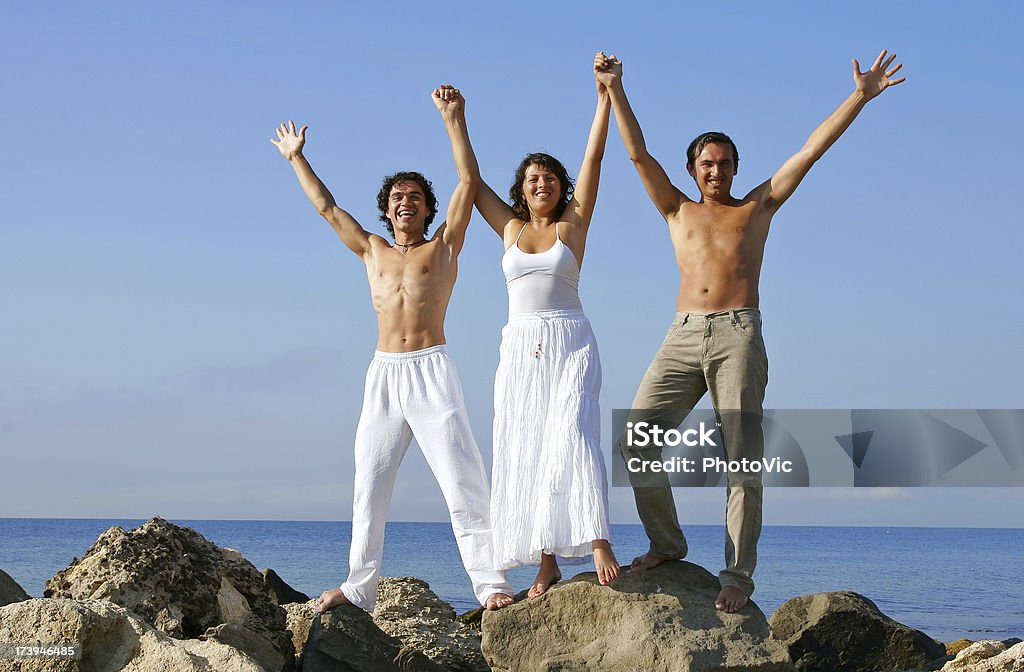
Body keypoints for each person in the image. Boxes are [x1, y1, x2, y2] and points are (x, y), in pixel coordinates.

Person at [601, 50, 906, 612]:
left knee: (740, 458)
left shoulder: (757, 207)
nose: (715, 172)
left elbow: (810, 150)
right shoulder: (676, 210)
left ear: (736, 168)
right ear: (693, 170)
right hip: (683, 334)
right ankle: (666, 543)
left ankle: (737, 574)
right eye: (705, 164)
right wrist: (616, 89)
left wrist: (859, 97)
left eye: (724, 163)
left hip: (739, 335)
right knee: (636, 439)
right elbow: (636, 153)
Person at [270, 84, 514, 613]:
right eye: (397, 197)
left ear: (427, 209)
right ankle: (359, 588)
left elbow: (469, 181)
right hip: (384, 375)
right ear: (387, 209)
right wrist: (297, 159)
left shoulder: (444, 245)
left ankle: (491, 583)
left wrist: (455, 119)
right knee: (369, 484)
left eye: (416, 197)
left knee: (462, 480)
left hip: (431, 372)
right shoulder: (372, 250)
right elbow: (328, 208)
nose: (406, 203)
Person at [473, 52, 621, 599]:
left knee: (575, 435)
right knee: (528, 447)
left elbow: (596, 158)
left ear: (561, 188)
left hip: (570, 340)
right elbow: (470, 179)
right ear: (523, 187)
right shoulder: (508, 228)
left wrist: (604, 95)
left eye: (551, 178)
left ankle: (597, 535)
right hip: (519, 348)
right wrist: (455, 121)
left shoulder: (572, 226)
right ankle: (546, 560)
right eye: (533, 178)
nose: (543, 184)